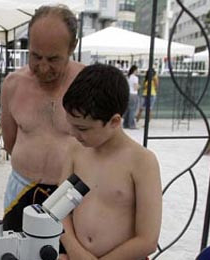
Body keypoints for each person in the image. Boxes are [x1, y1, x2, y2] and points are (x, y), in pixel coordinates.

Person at [59, 64, 162, 260]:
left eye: (82, 128)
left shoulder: (142, 162)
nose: (73, 134)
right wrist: (74, 249)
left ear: (114, 122)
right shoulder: (75, 150)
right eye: (70, 125)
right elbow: (59, 210)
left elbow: (147, 239)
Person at [0, 4, 85, 232]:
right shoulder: (13, 84)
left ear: (72, 47)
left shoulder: (88, 83)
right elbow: (10, 142)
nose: (43, 67)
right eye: (35, 56)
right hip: (21, 189)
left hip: (72, 192)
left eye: (54, 59)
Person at [123, 65, 139, 129]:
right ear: (134, 70)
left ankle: (125, 124)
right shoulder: (135, 78)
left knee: (128, 110)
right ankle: (131, 124)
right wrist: (138, 86)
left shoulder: (128, 77)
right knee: (132, 110)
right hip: (133, 94)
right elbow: (135, 88)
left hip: (128, 94)